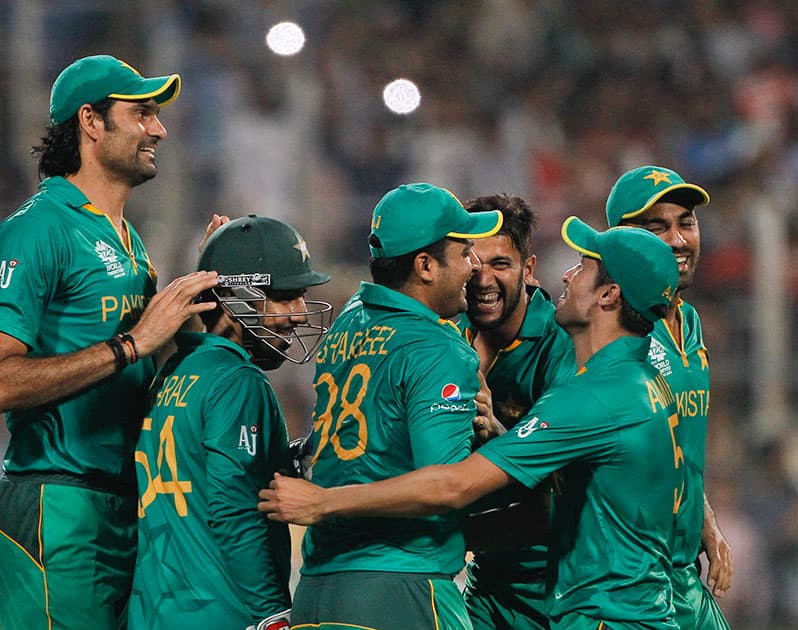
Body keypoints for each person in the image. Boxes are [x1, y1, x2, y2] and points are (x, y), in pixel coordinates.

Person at [260, 217, 688, 630]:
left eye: (583, 268)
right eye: (469, 255)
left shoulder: (593, 396)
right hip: (627, 608)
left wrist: (324, 503)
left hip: (605, 615)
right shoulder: (647, 381)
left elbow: (453, 485)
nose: (566, 277)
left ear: (608, 295)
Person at [0, 55, 220, 629]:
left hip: (123, 505)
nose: (159, 129)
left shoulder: (126, 238)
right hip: (59, 503)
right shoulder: (38, 227)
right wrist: (131, 343)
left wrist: (206, 290)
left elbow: (145, 364)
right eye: (141, 113)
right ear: (91, 123)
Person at [288, 183, 502, 629]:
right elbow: (444, 489)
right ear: (424, 265)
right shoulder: (438, 349)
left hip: (317, 592)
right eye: (463, 252)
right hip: (403, 589)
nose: (474, 265)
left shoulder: (349, 320)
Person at [128, 215, 333, 630]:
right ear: (237, 299)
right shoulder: (238, 381)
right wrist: (272, 613)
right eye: (283, 296)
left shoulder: (173, 371)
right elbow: (233, 509)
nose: (297, 313)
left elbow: (199, 474)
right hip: (222, 610)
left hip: (156, 609)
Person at [606, 165, 733, 628]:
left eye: (686, 222)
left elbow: (677, 450)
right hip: (627, 583)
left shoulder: (692, 322)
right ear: (621, 239)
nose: (679, 240)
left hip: (682, 574)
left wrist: (707, 523)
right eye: (657, 227)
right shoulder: (609, 325)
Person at [459, 194, 577, 630]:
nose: (482, 279)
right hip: (483, 580)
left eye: (500, 264)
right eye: (472, 262)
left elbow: (564, 492)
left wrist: (496, 431)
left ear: (528, 270)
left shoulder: (560, 345)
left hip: (550, 591)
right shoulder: (449, 332)